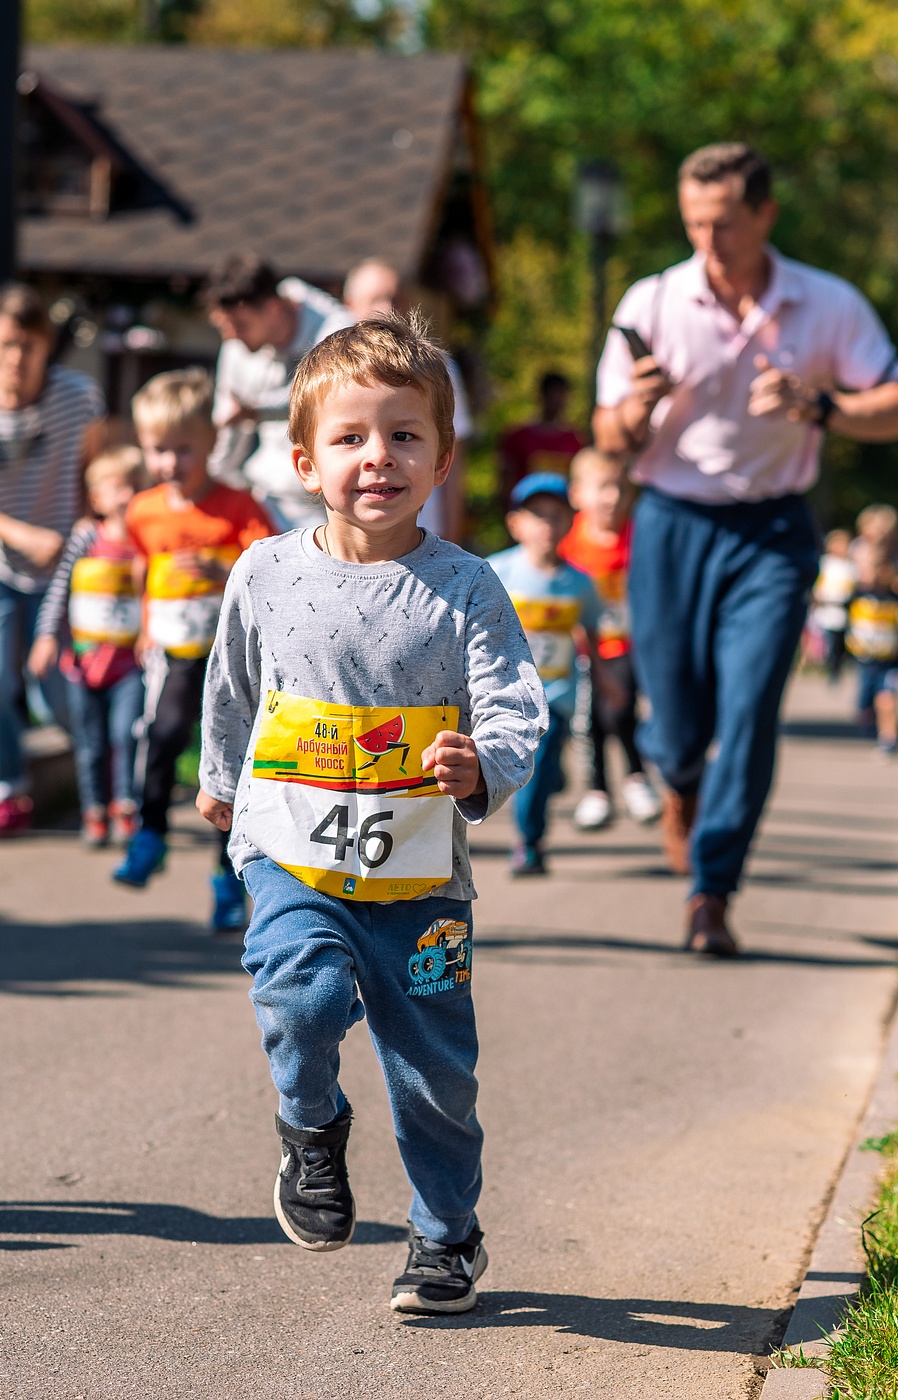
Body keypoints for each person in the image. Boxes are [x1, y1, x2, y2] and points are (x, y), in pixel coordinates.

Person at [195, 314, 545, 1314]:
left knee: (435, 1073)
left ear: (441, 458)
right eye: (350, 437)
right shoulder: (263, 572)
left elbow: (517, 701)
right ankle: (310, 1125)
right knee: (299, 996)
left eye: (404, 435)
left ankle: (445, 1236)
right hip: (288, 851)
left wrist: (485, 763)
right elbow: (231, 686)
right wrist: (219, 779)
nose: (377, 458)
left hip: (421, 876)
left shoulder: (466, 587)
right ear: (304, 459)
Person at [593, 142, 898, 957]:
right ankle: (678, 783)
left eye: (725, 225)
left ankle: (712, 888)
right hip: (673, 520)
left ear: (764, 216)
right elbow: (606, 436)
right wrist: (637, 410)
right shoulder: (653, 300)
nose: (708, 242)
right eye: (694, 223)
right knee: (673, 723)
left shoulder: (827, 303)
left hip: (775, 529)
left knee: (749, 709)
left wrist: (822, 406)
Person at [112, 369, 274, 932]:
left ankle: (228, 880)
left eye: (183, 449)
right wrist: (143, 625)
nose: (170, 463)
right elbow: (142, 564)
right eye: (159, 450)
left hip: (230, 659)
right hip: (177, 652)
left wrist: (218, 567)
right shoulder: (144, 510)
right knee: (161, 733)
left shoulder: (237, 506)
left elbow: (269, 571)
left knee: (227, 765)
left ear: (210, 442)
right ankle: (150, 834)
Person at [0, 283, 106, 835]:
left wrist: (91, 524)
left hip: (68, 567)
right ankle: (9, 790)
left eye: (27, 346)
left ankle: (103, 787)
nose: (16, 358)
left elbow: (94, 467)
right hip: (4, 566)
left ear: (45, 347)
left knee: (67, 690)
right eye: (6, 345)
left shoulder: (78, 395)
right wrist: (20, 535)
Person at [488, 473, 614, 876]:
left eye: (556, 516)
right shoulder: (496, 572)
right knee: (529, 771)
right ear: (515, 524)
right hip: (505, 697)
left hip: (556, 697)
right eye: (537, 516)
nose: (546, 525)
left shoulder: (580, 583)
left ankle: (529, 842)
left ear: (569, 524)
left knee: (540, 770)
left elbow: (591, 634)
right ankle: (529, 838)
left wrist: (606, 679)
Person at [27, 446, 147, 846]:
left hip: (128, 664)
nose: (127, 495)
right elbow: (59, 589)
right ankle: (94, 811)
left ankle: (126, 806)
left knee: (125, 734)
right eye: (117, 488)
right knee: (90, 743)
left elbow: (153, 595)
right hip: (82, 663)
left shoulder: (143, 544)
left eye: (134, 486)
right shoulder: (85, 539)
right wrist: (46, 636)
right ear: (97, 497)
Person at [205, 252, 353, 532]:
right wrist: (213, 485)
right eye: (224, 325)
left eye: (239, 325)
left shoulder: (338, 331)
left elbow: (324, 395)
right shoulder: (238, 340)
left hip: (327, 507)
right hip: (262, 499)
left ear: (273, 308)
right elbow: (230, 424)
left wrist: (255, 409)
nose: (230, 336)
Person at [559, 448, 660, 829]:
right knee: (590, 719)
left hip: (631, 643)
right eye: (603, 488)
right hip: (585, 645)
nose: (613, 498)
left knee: (618, 709)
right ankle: (598, 789)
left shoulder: (639, 536)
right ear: (578, 494)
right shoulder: (571, 541)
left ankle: (635, 777)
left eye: (620, 488)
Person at [343, 257, 475, 541]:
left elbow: (454, 453)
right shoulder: (330, 372)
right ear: (349, 304)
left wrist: (451, 538)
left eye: (395, 298)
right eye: (377, 298)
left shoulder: (437, 367)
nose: (388, 308)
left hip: (424, 535)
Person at [847, 543, 898, 754]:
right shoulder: (857, 595)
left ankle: (889, 739)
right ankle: (872, 722)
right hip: (866, 661)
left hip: (892, 660)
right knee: (864, 706)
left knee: (886, 699)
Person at [498, 371, 588, 507]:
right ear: (541, 396)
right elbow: (506, 480)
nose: (557, 401)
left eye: (561, 395)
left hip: (565, 512)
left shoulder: (576, 439)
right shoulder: (517, 437)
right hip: (526, 509)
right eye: (552, 394)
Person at [810, 529, 858, 683]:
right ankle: (830, 669)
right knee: (827, 641)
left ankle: (837, 669)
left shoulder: (850, 566)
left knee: (839, 642)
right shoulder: (826, 563)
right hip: (827, 609)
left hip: (843, 609)